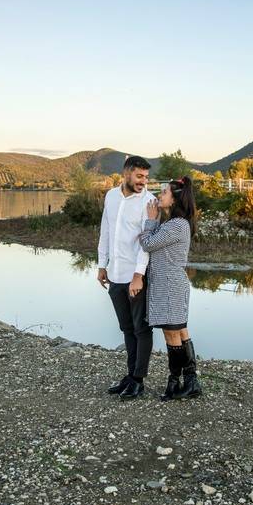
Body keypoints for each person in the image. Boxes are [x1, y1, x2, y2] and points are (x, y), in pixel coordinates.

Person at [138, 176, 201, 401]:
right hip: (171, 284)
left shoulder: (176, 224)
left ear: (174, 199)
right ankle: (191, 381)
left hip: (170, 286)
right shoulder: (175, 223)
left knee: (172, 333)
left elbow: (147, 243)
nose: (159, 196)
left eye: (163, 192)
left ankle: (175, 384)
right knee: (180, 331)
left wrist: (150, 220)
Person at [98, 155, 156, 400]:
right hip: (115, 274)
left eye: (146, 177)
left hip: (136, 276)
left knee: (141, 329)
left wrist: (138, 275)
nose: (143, 181)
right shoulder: (111, 196)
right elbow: (106, 231)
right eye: (139, 176)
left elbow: (147, 243)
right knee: (126, 328)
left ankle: (138, 380)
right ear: (126, 173)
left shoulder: (149, 201)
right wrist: (102, 265)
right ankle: (130, 374)